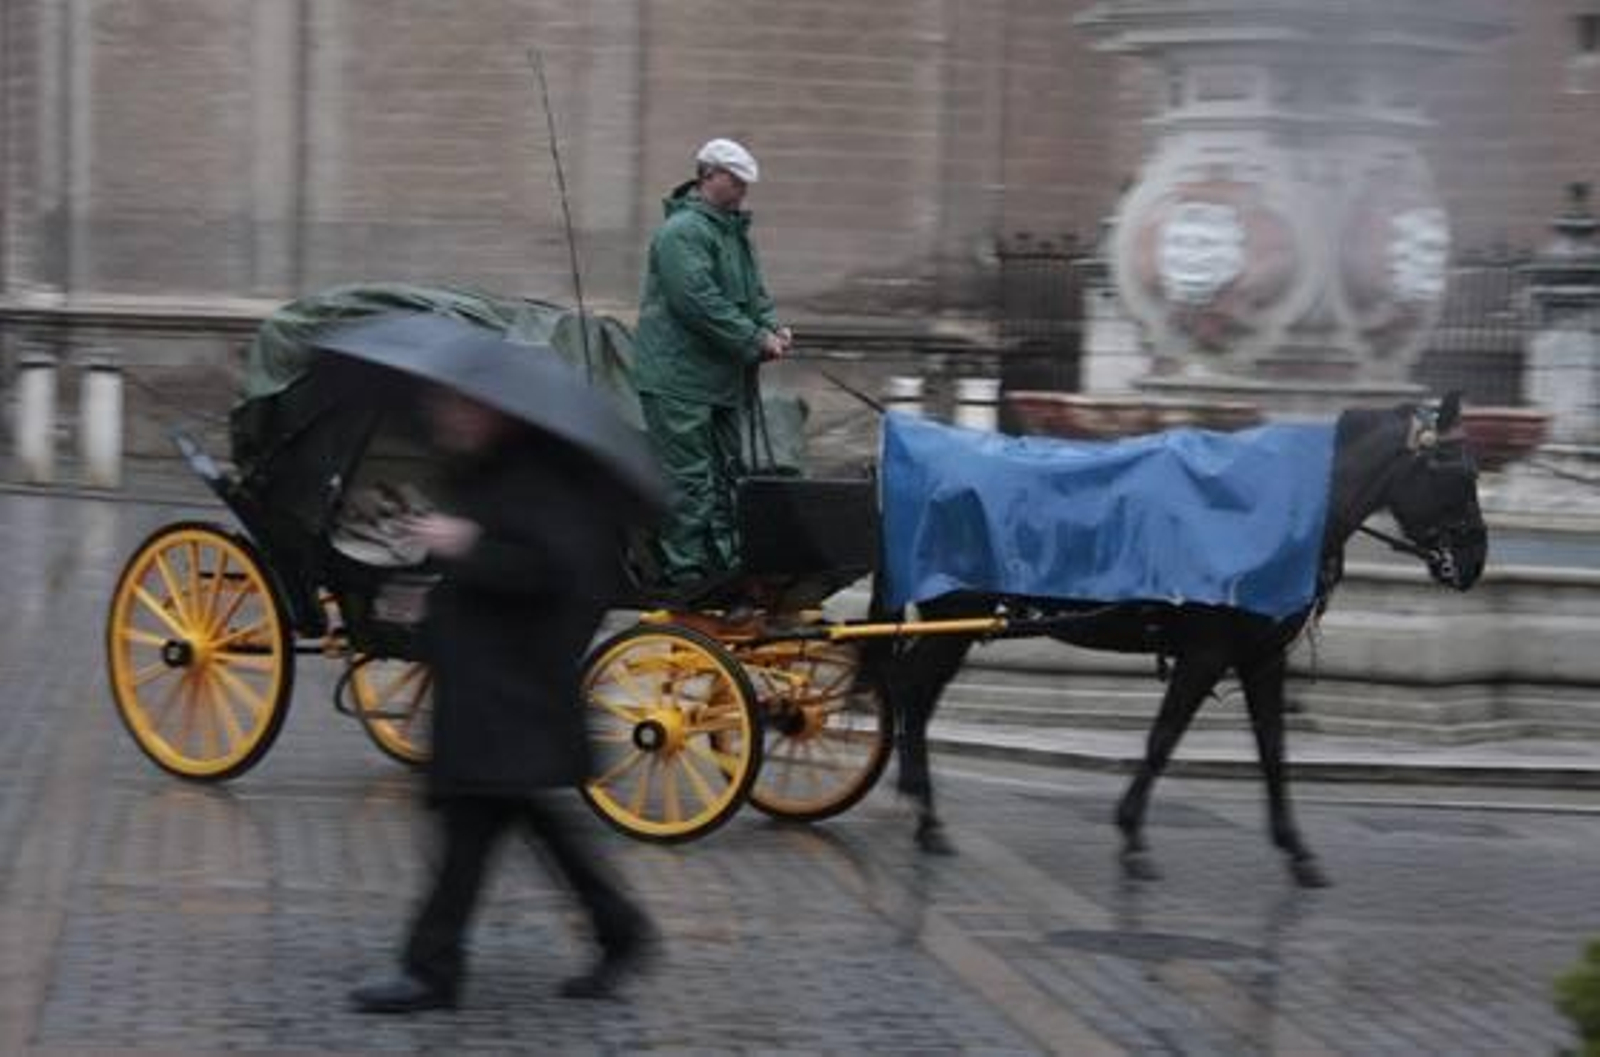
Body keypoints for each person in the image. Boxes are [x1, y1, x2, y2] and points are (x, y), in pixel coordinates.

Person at [350, 387, 656, 1014]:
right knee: (516, 817)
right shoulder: (487, 472)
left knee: (476, 822)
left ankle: (432, 970)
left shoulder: (542, 477)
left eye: (460, 408)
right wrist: (431, 593)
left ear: (499, 411)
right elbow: (488, 567)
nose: (446, 418)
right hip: (491, 685)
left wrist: (468, 545)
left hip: (516, 686)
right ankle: (618, 930)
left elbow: (552, 571)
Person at [632, 137, 792, 589]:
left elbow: (755, 294)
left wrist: (772, 329)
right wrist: (752, 338)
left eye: (746, 183)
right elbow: (697, 302)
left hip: (720, 377)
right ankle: (687, 572)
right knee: (689, 479)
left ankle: (723, 565)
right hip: (678, 377)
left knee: (727, 474)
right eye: (735, 181)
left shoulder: (733, 233)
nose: (743, 191)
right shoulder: (682, 232)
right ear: (708, 176)